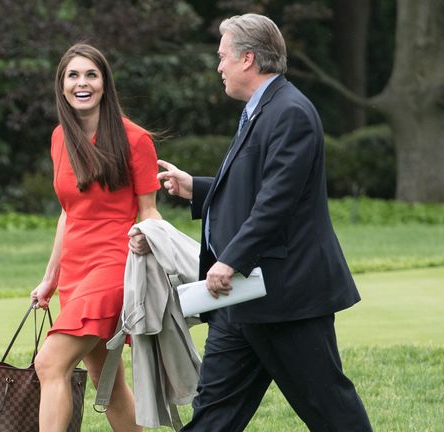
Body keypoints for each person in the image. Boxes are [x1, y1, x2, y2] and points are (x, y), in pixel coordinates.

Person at [154, 14, 373, 431]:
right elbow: (255, 186)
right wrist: (198, 189)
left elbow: (277, 202)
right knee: (213, 414)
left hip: (285, 298)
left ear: (248, 59)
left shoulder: (290, 112)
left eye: (223, 57)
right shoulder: (263, 110)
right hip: (242, 301)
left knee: (330, 408)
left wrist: (231, 259)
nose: (218, 67)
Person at [30, 43, 162, 432]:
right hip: (75, 270)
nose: (82, 83)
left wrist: (146, 240)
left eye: (91, 74)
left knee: (49, 362)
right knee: (109, 382)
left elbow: (149, 209)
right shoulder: (60, 138)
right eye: (73, 75)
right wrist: (50, 279)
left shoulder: (135, 140)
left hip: (114, 266)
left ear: (105, 83)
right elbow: (68, 212)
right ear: (62, 84)